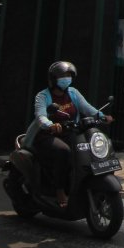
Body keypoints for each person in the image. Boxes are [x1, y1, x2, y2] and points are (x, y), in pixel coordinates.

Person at [23, 60, 112, 208]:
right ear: (53, 79)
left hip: (69, 131)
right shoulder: (43, 96)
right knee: (63, 152)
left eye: (69, 75)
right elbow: (40, 116)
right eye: (62, 75)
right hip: (47, 135)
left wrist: (102, 116)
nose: (66, 79)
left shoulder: (73, 93)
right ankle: (59, 191)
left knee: (88, 148)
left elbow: (87, 108)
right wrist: (50, 125)